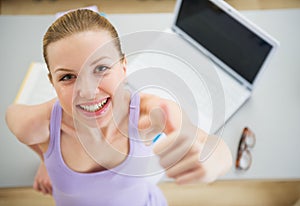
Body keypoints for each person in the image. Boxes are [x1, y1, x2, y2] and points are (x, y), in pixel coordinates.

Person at [5, 9, 232, 206]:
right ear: (52, 82)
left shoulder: (147, 115)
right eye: (67, 77)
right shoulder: (38, 126)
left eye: (101, 68)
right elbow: (11, 116)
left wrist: (216, 160)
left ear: (123, 67)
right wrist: (47, 160)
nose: (87, 91)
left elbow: (212, 145)